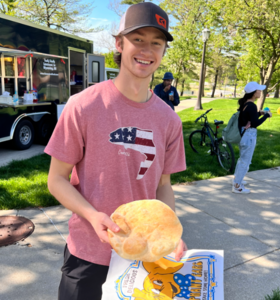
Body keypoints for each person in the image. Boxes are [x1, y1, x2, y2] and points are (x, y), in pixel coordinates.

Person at [44, 2, 187, 300]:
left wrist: (170, 233)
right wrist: (92, 215)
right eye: (138, 40)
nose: (147, 50)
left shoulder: (169, 121)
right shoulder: (83, 106)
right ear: (119, 43)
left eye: (156, 43)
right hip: (87, 253)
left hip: (141, 257)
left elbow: (163, 186)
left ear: (163, 51)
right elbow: (56, 178)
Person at [232, 82, 272, 194]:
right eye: (259, 90)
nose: (260, 92)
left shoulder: (246, 104)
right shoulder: (252, 106)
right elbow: (255, 123)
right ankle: (237, 186)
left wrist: (260, 113)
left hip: (243, 135)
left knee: (242, 160)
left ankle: (236, 180)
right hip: (248, 136)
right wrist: (266, 115)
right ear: (254, 93)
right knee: (245, 162)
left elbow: (249, 117)